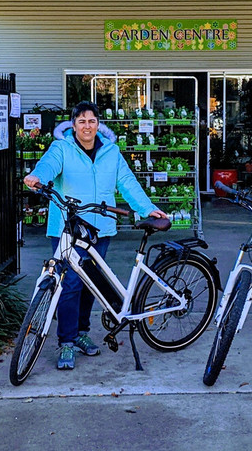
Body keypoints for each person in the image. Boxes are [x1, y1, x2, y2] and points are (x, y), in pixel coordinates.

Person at [23, 101, 169, 371]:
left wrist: (148, 209)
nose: (87, 126)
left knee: (92, 284)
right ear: (73, 125)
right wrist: (36, 176)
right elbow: (47, 166)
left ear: (98, 124)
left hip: (100, 227)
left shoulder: (111, 152)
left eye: (92, 121)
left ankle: (80, 332)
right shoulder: (62, 148)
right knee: (69, 285)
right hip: (68, 227)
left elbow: (127, 183)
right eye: (81, 121)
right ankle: (66, 341)